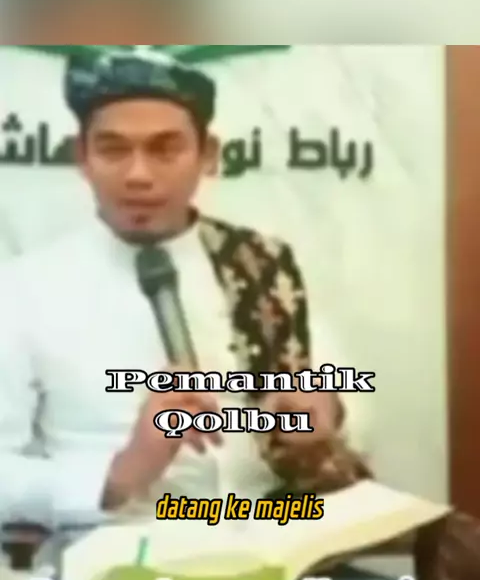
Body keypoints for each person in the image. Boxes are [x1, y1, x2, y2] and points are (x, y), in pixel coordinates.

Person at [0, 48, 367, 525]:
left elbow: (341, 392)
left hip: (269, 533)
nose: (138, 175)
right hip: (118, 551)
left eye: (165, 149)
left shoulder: (260, 264)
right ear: (82, 158)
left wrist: (324, 413)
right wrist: (120, 473)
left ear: (207, 156)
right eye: (113, 150)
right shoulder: (25, 290)